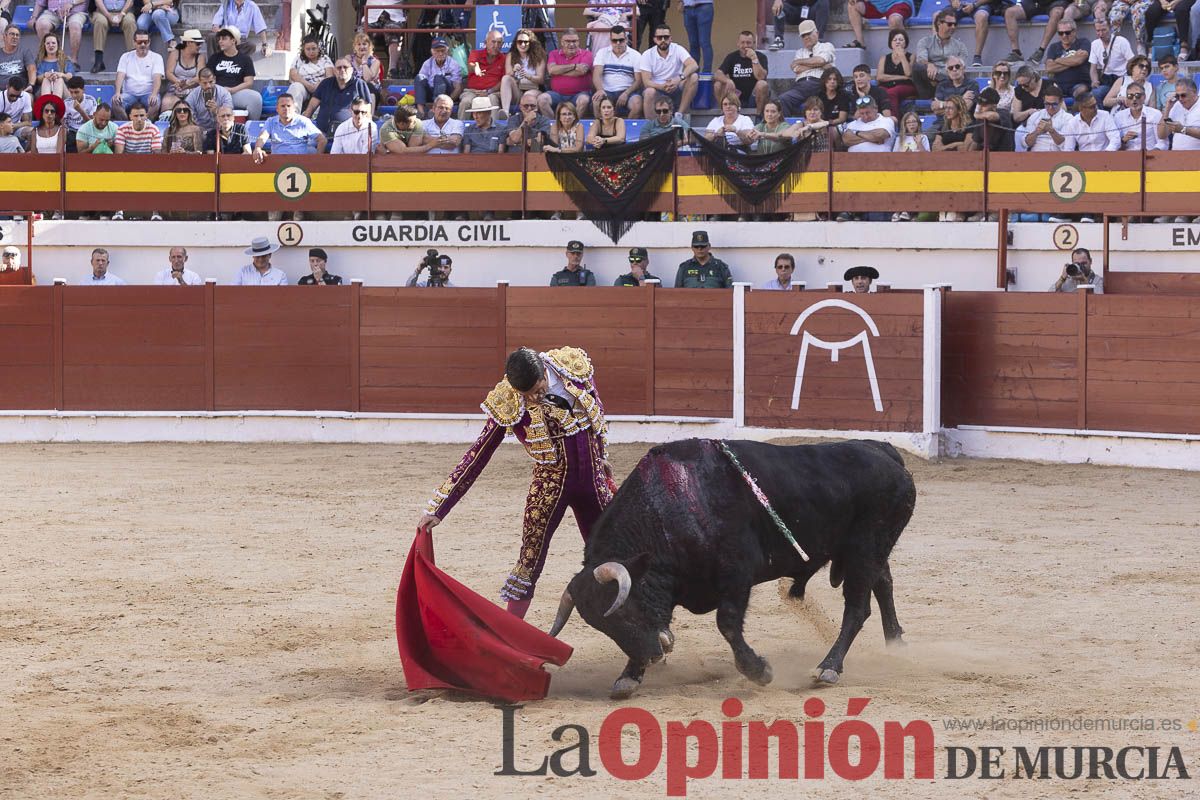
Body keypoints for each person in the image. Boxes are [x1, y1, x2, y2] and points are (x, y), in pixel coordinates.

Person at [416, 346, 614, 619]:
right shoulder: (508, 400)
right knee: (529, 562)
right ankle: (512, 636)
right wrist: (439, 507)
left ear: (545, 372)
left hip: (593, 479)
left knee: (615, 552)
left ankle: (645, 629)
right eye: (527, 394)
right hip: (549, 487)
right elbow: (478, 453)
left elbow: (597, 408)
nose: (534, 397)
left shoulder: (572, 367)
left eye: (538, 388)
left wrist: (603, 456)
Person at [639, 23, 699, 117]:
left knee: (694, 77)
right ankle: (651, 126)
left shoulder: (678, 49)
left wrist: (679, 79)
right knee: (649, 91)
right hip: (657, 89)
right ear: (654, 39)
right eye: (659, 38)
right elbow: (646, 82)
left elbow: (693, 65)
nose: (663, 40)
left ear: (670, 38)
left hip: (676, 86)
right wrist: (661, 86)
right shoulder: (647, 54)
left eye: (666, 37)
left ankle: (679, 114)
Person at [305, 59, 372, 140]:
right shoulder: (325, 84)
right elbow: (311, 107)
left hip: (349, 133)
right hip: (322, 132)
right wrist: (303, 126)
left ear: (351, 70)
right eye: (339, 68)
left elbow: (367, 112)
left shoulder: (359, 84)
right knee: (307, 147)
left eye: (345, 67)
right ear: (334, 71)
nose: (342, 70)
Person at [778, 20, 834, 115]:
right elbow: (797, 69)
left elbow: (820, 60)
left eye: (809, 33)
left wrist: (799, 61)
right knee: (783, 99)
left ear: (816, 33)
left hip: (819, 84)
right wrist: (820, 65)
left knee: (812, 105)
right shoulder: (800, 52)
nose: (806, 37)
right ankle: (787, 128)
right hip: (800, 86)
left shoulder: (826, 46)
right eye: (803, 36)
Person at [540, 28, 593, 122]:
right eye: (568, 41)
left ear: (578, 42)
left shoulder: (587, 54)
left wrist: (560, 71)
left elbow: (582, 71)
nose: (571, 44)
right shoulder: (554, 53)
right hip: (557, 94)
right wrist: (575, 66)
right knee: (542, 99)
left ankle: (573, 126)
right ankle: (555, 125)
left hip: (579, 94)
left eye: (574, 41)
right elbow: (551, 70)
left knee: (584, 100)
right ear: (562, 42)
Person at [913, 10, 968, 100]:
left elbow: (961, 68)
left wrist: (937, 77)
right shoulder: (925, 41)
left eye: (955, 24)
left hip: (950, 80)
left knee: (956, 73)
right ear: (939, 24)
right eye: (949, 24)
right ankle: (925, 101)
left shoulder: (960, 46)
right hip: (930, 81)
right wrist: (929, 64)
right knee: (918, 67)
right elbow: (920, 59)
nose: (953, 27)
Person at [253, 93, 324, 162]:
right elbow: (263, 136)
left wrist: (317, 160)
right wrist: (258, 148)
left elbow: (322, 140)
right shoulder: (270, 121)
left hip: (300, 165)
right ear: (277, 109)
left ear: (294, 108)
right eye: (283, 106)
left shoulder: (303, 121)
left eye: (289, 106)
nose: (286, 108)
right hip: (277, 164)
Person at [714, 31, 769, 120]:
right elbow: (717, 74)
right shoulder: (732, 57)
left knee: (762, 84)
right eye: (742, 42)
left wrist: (754, 59)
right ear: (738, 44)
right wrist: (727, 80)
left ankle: (759, 117)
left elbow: (761, 77)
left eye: (748, 43)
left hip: (754, 98)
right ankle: (724, 114)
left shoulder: (761, 57)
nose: (745, 45)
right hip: (736, 97)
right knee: (718, 84)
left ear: (754, 44)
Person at [210, 26, 261, 121]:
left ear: (233, 40)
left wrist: (232, 90)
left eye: (224, 38)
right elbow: (208, 79)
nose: (220, 41)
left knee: (256, 98)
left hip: (237, 92)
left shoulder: (245, 59)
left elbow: (249, 82)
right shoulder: (214, 58)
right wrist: (219, 90)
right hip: (218, 93)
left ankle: (250, 129)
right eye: (219, 39)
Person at [592, 24, 642, 119]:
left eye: (621, 40)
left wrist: (626, 93)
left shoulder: (636, 55)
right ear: (610, 41)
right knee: (596, 101)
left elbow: (638, 81)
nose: (618, 43)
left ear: (626, 39)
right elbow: (596, 75)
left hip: (627, 91)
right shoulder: (602, 53)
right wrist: (600, 90)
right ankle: (602, 130)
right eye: (614, 40)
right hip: (606, 91)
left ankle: (626, 131)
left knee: (637, 103)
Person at [113, 31, 163, 121]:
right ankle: (127, 125)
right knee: (116, 102)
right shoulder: (125, 57)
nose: (143, 44)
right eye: (139, 42)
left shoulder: (157, 57)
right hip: (129, 94)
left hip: (148, 94)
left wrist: (154, 94)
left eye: (145, 42)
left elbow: (157, 78)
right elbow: (120, 76)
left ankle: (146, 124)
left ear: (149, 42)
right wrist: (117, 93)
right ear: (134, 43)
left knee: (155, 102)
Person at [460, 30, 506, 121]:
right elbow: (471, 66)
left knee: (492, 99)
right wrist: (476, 67)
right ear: (485, 43)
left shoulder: (504, 58)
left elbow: (503, 80)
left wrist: (489, 91)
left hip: (492, 92)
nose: (496, 45)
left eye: (499, 43)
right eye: (493, 42)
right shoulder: (476, 54)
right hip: (472, 91)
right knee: (466, 102)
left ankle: (495, 130)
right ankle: (460, 131)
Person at [503, 29, 547, 120]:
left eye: (526, 42)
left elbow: (541, 80)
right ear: (516, 43)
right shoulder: (511, 55)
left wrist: (528, 76)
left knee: (527, 95)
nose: (523, 44)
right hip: (518, 89)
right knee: (506, 78)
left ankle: (528, 120)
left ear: (531, 43)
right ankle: (505, 113)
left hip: (534, 89)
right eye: (520, 42)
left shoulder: (539, 55)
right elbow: (508, 75)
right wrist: (514, 71)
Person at [1088, 18, 1133, 106]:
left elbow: (1132, 61)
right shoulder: (1095, 44)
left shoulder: (1121, 41)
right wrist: (1094, 81)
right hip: (1106, 79)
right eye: (1098, 31)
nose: (1101, 34)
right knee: (1096, 93)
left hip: (1122, 79)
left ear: (1110, 28)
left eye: (1104, 30)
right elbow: (1093, 68)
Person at [415, 37, 462, 118]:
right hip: (431, 91)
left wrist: (447, 101)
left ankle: (435, 110)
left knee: (439, 77)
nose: (440, 53)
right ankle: (421, 112)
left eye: (443, 51)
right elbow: (421, 82)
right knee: (419, 77)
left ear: (447, 51)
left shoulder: (453, 64)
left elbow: (458, 88)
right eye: (437, 51)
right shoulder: (427, 63)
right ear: (432, 52)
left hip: (446, 93)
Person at [162, 30, 206, 115]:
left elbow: (199, 77)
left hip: (193, 88)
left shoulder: (201, 57)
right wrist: (179, 83)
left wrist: (186, 84)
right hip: (175, 87)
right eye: (198, 44)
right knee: (166, 103)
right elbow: (168, 73)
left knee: (192, 105)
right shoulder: (175, 53)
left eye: (201, 44)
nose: (200, 46)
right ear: (189, 43)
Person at [31, 0, 86, 66]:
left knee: (75, 26)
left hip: (76, 12)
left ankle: (73, 61)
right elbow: (40, 3)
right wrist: (34, 17)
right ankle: (49, 57)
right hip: (53, 12)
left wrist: (72, 3)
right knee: (41, 24)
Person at [1044, 20, 1092, 96]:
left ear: (1074, 31)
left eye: (1067, 32)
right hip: (1058, 85)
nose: (1064, 35)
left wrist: (1058, 60)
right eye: (1060, 33)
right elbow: (1049, 67)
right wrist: (1073, 59)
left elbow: (1079, 61)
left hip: (1079, 84)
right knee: (1047, 93)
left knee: (1080, 92)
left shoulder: (1084, 42)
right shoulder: (1054, 47)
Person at [847, 0, 912, 53]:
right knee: (852, 5)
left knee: (894, 20)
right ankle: (860, 42)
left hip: (898, 2)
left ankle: (901, 54)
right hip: (877, 6)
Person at [90, 0, 137, 73]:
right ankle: (98, 61)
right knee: (100, 22)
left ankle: (133, 60)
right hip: (102, 11)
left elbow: (130, 2)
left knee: (129, 22)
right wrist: (108, 16)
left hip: (124, 11)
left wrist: (121, 14)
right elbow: (98, 2)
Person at [877, 29, 915, 117]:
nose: (898, 42)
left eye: (901, 40)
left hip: (906, 86)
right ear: (890, 43)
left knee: (892, 92)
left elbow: (908, 73)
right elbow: (880, 77)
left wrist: (902, 56)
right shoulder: (884, 58)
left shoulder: (912, 56)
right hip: (887, 85)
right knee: (879, 92)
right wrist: (902, 77)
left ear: (905, 43)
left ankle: (893, 120)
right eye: (895, 40)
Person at [288, 36, 334, 110]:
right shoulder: (298, 59)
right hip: (304, 86)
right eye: (308, 49)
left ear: (318, 48)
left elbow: (329, 76)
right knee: (295, 87)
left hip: (321, 86)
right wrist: (308, 85)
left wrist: (318, 86)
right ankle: (293, 115)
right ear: (303, 49)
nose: (311, 52)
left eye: (313, 49)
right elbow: (293, 74)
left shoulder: (325, 59)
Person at [1068, 87, 1120, 151]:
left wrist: (1107, 153)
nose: (1095, 108)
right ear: (1081, 109)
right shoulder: (1073, 123)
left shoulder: (1105, 116)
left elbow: (1115, 139)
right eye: (1091, 107)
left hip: (1105, 156)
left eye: (1095, 104)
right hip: (1084, 158)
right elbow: (1068, 148)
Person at [1114, 80, 1162, 150]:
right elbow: (1114, 144)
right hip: (1127, 157)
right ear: (1126, 99)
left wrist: (1151, 153)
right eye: (1130, 96)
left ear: (1144, 97)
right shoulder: (1119, 116)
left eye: (1138, 95)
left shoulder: (1155, 114)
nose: (1134, 99)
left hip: (1150, 157)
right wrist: (1123, 140)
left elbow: (1162, 143)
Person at [1023, 84, 1072, 151]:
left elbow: (1066, 145)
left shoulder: (1068, 118)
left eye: (1054, 104)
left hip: (1057, 155)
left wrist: (1051, 130)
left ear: (1061, 102)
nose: (1050, 108)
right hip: (1036, 154)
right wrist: (1036, 132)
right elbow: (1026, 144)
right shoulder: (1035, 116)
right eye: (1047, 104)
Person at [951, 0, 998, 67]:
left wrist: (974, 5)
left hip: (980, 4)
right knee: (938, 16)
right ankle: (938, 53)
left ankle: (977, 57)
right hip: (960, 5)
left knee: (982, 16)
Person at [1158, 77, 1200, 151]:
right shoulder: (1176, 105)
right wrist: (1167, 109)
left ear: (1194, 92)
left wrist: (1183, 130)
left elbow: (1182, 130)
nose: (1180, 99)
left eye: (1183, 95)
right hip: (1177, 155)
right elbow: (1162, 135)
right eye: (1177, 96)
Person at [31, 32, 75, 99]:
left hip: (63, 93)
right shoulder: (39, 61)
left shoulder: (65, 60)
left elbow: (70, 76)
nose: (51, 45)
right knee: (46, 79)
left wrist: (61, 75)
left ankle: (55, 105)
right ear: (44, 45)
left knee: (59, 79)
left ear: (58, 45)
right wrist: (45, 75)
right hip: (42, 92)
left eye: (53, 43)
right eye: (48, 43)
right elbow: (36, 79)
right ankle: (47, 104)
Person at [186, 68, 232, 133]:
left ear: (215, 79)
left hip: (220, 129)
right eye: (204, 83)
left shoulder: (224, 93)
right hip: (200, 130)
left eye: (211, 82)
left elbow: (229, 117)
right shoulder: (193, 95)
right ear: (199, 82)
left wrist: (217, 111)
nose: (208, 86)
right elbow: (189, 117)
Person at [972, 86, 1015, 151]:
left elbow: (991, 116)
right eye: (979, 104)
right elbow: (975, 142)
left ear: (994, 106)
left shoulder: (1004, 113)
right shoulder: (981, 117)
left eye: (984, 105)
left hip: (1003, 155)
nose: (980, 108)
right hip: (984, 155)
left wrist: (976, 115)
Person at [348, 31, 383, 106]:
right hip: (353, 90)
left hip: (371, 91)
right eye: (359, 44)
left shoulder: (375, 62)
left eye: (364, 44)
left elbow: (367, 78)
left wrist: (364, 61)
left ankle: (370, 116)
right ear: (354, 47)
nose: (361, 47)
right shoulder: (349, 59)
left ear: (369, 46)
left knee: (367, 86)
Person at [62, 75, 95, 150]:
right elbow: (63, 123)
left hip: (86, 131)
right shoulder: (66, 102)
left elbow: (92, 124)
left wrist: (80, 110)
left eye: (76, 92)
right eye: (71, 92)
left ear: (83, 90)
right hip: (71, 131)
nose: (74, 95)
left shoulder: (91, 100)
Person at [681, 0, 714, 74]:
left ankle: (706, 74)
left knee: (704, 42)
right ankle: (693, 73)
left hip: (704, 5)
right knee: (693, 43)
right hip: (687, 7)